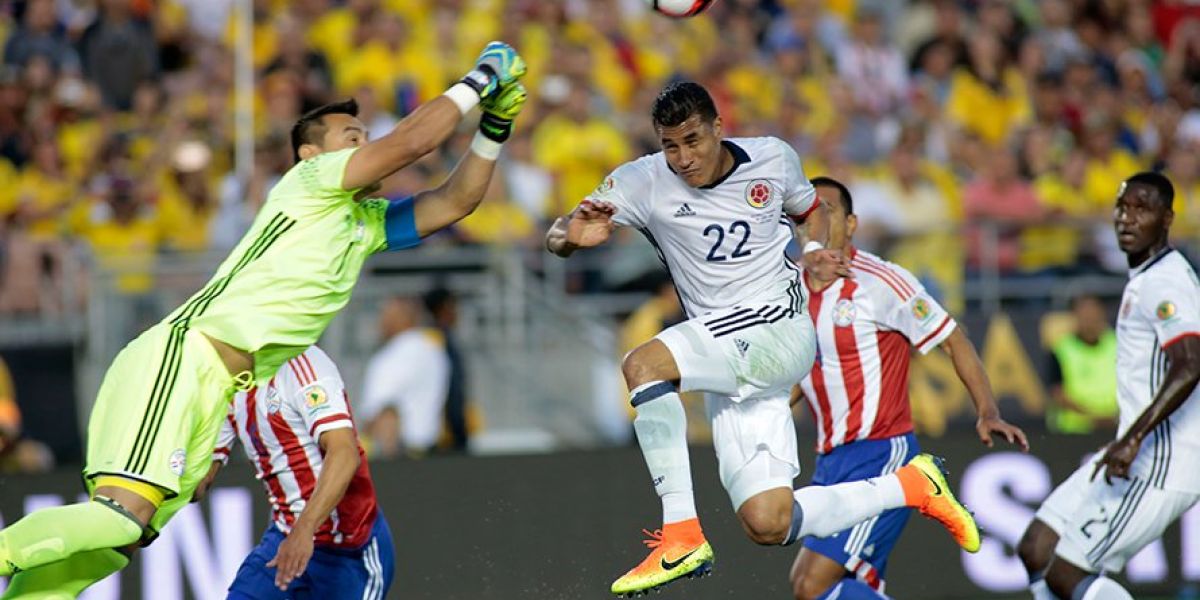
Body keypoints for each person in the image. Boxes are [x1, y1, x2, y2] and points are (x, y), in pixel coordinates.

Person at [0, 41, 528, 596]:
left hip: (216, 385)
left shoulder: (362, 222)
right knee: (119, 517)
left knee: (123, 542)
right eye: (353, 138)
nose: (366, 146)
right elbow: (415, 141)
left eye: (365, 138)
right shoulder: (312, 184)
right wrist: (482, 77)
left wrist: (494, 126)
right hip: (182, 358)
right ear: (311, 155)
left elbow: (454, 203)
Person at [544, 81, 981, 597]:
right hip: (727, 357)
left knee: (643, 365)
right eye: (670, 145)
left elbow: (809, 209)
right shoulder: (640, 181)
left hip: (778, 329)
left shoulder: (772, 159)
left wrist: (813, 246)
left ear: (718, 129)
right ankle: (912, 486)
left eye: (692, 140)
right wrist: (569, 240)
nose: (683, 158)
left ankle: (680, 533)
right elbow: (560, 233)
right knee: (768, 521)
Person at [788, 177, 1028, 600]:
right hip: (829, 462)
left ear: (852, 223)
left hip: (882, 454)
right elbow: (803, 376)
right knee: (837, 587)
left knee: (811, 584)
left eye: (829, 209)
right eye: (808, 213)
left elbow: (953, 338)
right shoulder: (790, 291)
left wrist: (987, 409)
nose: (818, 220)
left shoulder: (881, 282)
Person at [1017, 172, 1200, 600]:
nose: (1127, 218)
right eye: (1122, 207)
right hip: (1134, 449)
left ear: (1167, 218)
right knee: (1035, 548)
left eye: (1142, 208)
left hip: (1161, 459)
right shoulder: (1146, 277)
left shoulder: (1166, 280)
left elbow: (1191, 363)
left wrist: (1134, 438)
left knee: (1066, 573)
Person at [193, 345, 393, 597]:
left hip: (348, 549)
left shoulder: (304, 364)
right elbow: (202, 476)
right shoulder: (230, 381)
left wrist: (305, 529)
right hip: (284, 539)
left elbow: (345, 453)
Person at [362, 296, 450, 458]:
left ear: (402, 318)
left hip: (399, 455)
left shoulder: (393, 356)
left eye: (386, 315)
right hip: (429, 450)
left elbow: (384, 410)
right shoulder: (434, 351)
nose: (381, 322)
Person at [1046, 294, 1118, 434]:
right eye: (1085, 317)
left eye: (1094, 316)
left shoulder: (1119, 345)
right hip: (1074, 431)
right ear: (1075, 317)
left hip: (1117, 425)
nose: (1090, 322)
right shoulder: (1061, 349)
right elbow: (1057, 393)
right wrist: (1092, 416)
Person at [424, 287, 471, 452]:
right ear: (444, 308)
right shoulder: (436, 340)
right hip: (443, 435)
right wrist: (458, 429)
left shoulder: (437, 337)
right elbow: (451, 387)